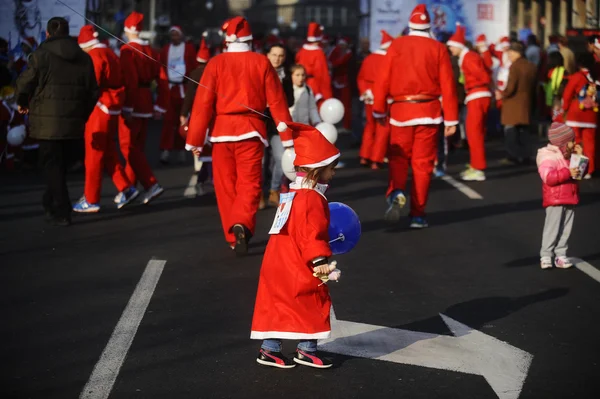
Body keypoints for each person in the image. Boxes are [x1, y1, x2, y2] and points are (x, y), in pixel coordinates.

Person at [185, 17, 293, 255]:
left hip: (222, 132)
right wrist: (288, 139)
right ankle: (242, 222)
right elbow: (277, 102)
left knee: (225, 187)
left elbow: (202, 104)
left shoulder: (216, 63)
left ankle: (232, 235)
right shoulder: (261, 62)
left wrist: (194, 139)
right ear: (250, 39)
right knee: (250, 183)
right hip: (252, 132)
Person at [251, 122, 340, 369]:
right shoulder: (311, 198)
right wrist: (319, 260)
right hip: (297, 262)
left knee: (278, 303)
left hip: (278, 259)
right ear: (316, 170)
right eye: (331, 169)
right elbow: (310, 232)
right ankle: (307, 349)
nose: (333, 173)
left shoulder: (293, 193)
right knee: (313, 299)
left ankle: (269, 348)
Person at [372, 4, 459, 229]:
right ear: (429, 25)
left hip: (401, 111)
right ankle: (418, 214)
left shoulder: (396, 45)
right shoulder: (438, 48)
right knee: (423, 165)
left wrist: (379, 110)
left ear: (410, 24)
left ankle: (397, 191)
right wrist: (451, 119)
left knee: (399, 158)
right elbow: (448, 86)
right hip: (429, 113)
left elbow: (382, 80)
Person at [15, 17, 98, 226]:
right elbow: (93, 92)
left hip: (46, 124)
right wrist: (81, 114)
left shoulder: (41, 55)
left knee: (52, 166)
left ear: (48, 33)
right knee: (60, 166)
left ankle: (63, 210)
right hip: (73, 122)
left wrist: (21, 102)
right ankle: (49, 201)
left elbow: (25, 82)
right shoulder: (83, 58)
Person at [73, 25, 139, 213]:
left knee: (94, 155)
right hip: (112, 107)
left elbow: (92, 84)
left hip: (100, 107)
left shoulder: (94, 56)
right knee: (108, 150)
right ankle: (126, 188)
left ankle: (91, 199)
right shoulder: (109, 52)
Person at [118, 11, 164, 205]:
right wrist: (160, 104)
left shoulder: (127, 51)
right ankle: (130, 187)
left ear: (127, 30)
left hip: (134, 101)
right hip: (146, 101)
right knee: (137, 147)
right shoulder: (152, 51)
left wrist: (127, 106)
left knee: (128, 147)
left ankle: (150, 184)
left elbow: (130, 80)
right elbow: (161, 78)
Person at [447, 24, 492, 182]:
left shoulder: (468, 57)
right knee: (474, 132)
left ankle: (478, 168)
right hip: (476, 95)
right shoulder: (466, 56)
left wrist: (478, 84)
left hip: (477, 95)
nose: (450, 49)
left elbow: (483, 76)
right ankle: (475, 164)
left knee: (474, 133)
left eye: (451, 46)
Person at [537, 123, 582, 270]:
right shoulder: (547, 156)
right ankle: (546, 255)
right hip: (555, 198)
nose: (574, 143)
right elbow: (548, 177)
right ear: (562, 142)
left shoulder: (570, 155)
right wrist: (568, 172)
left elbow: (579, 174)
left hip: (570, 195)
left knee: (566, 228)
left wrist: (580, 156)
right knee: (553, 227)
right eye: (571, 141)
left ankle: (560, 254)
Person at [260, 43, 295, 209]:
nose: (277, 58)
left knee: (281, 158)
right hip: (258, 122)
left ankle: (274, 190)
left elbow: (291, 100)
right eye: (274, 55)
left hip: (277, 124)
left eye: (280, 56)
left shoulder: (286, 76)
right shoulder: (258, 72)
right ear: (267, 55)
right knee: (260, 161)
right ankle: (259, 193)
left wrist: (277, 102)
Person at [157, 26, 197, 164]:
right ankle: (166, 150)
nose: (174, 37)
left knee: (183, 121)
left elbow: (193, 68)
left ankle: (181, 150)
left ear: (181, 36)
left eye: (176, 35)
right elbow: (161, 67)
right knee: (168, 121)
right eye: (172, 35)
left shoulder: (189, 49)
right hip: (170, 88)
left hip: (184, 89)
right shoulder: (165, 50)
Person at [496, 41, 537, 165]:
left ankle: (512, 156)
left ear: (515, 53)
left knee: (510, 131)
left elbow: (511, 87)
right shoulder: (531, 66)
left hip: (513, 104)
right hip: (526, 103)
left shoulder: (514, 66)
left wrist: (501, 94)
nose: (508, 55)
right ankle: (526, 156)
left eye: (510, 53)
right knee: (524, 132)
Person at [181, 35, 212, 198]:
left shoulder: (193, 74)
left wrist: (183, 114)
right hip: (213, 115)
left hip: (197, 113)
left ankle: (200, 171)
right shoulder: (214, 73)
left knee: (198, 142)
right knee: (210, 148)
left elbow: (188, 96)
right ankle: (208, 179)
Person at [357, 30, 393, 169]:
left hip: (369, 98)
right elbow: (389, 81)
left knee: (369, 126)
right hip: (383, 98)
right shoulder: (389, 60)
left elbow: (361, 78)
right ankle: (376, 159)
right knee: (383, 128)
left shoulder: (368, 58)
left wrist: (366, 91)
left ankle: (365, 155)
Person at [561, 52, 597, 179]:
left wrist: (564, 109)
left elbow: (567, 95)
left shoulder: (577, 76)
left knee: (576, 141)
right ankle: (590, 169)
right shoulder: (596, 77)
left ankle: (577, 169)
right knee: (590, 142)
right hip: (593, 113)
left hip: (576, 113)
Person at [295, 22, 332, 107]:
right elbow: (322, 75)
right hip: (315, 86)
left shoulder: (301, 51)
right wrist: (328, 95)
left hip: (301, 84)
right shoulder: (319, 53)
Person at [329, 37, 353, 132]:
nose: (341, 47)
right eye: (340, 45)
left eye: (343, 45)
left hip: (345, 82)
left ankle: (346, 125)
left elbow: (337, 63)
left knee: (346, 105)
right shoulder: (336, 50)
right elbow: (331, 61)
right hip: (335, 81)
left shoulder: (349, 54)